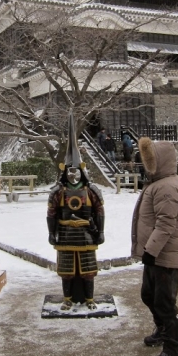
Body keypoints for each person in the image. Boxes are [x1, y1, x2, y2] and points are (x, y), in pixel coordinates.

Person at [131, 137, 178, 356]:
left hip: (164, 256)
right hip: (154, 255)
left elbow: (166, 224)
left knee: (165, 303)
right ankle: (162, 329)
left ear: (159, 161)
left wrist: (150, 251)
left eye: (149, 160)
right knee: (148, 295)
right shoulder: (157, 184)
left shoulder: (167, 187)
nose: (145, 165)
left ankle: (173, 348)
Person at [47, 111, 105, 310]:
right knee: (66, 271)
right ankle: (67, 299)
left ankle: (89, 299)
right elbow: (52, 214)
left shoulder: (91, 190)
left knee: (88, 270)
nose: (73, 174)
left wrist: (101, 231)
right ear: (65, 171)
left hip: (87, 233)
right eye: (70, 171)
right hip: (65, 234)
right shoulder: (58, 192)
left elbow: (99, 212)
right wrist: (51, 233)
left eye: (76, 170)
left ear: (82, 170)